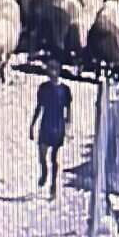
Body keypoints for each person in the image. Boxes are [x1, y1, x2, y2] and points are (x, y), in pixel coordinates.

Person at [30, 60, 73, 200]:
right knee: (41, 154)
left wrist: (68, 127)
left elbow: (68, 110)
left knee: (54, 158)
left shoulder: (65, 90)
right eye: (49, 70)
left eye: (54, 70)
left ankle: (53, 185)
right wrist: (32, 125)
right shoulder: (43, 88)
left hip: (58, 126)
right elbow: (39, 107)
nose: (51, 73)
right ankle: (44, 172)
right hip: (46, 124)